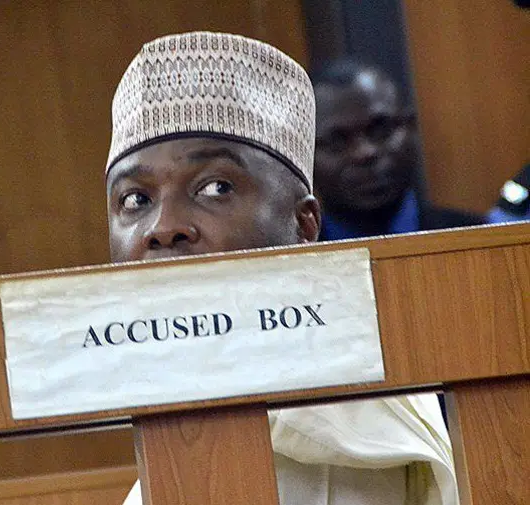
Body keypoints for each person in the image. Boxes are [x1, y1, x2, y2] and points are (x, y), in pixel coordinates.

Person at [106, 32, 458, 505]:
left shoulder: (348, 437)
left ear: (304, 223)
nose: (164, 228)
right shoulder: (175, 401)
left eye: (215, 188)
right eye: (136, 199)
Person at [311, 58, 485, 241]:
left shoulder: (481, 240)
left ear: (410, 128)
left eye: (380, 130)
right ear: (306, 154)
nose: (365, 153)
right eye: (336, 141)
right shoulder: (289, 263)